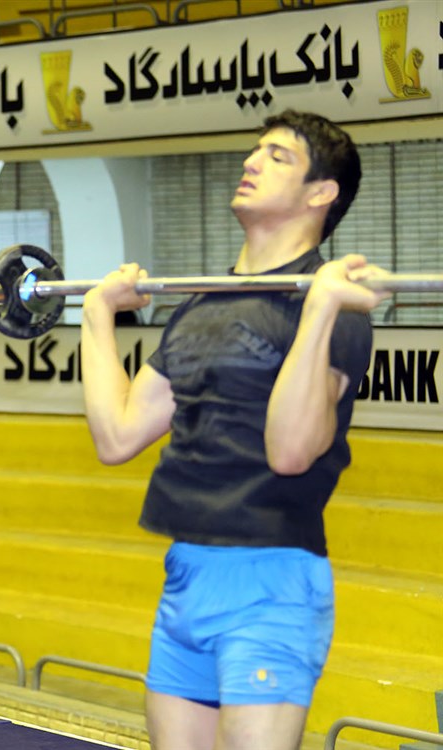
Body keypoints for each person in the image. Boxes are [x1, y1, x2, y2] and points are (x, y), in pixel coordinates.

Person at [79, 109, 384, 750]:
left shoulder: (334, 308)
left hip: (271, 582)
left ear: (321, 193)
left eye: (277, 156)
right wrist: (97, 313)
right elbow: (118, 436)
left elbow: (291, 451)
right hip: (187, 575)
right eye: (255, 151)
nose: (250, 161)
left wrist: (322, 306)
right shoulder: (201, 303)